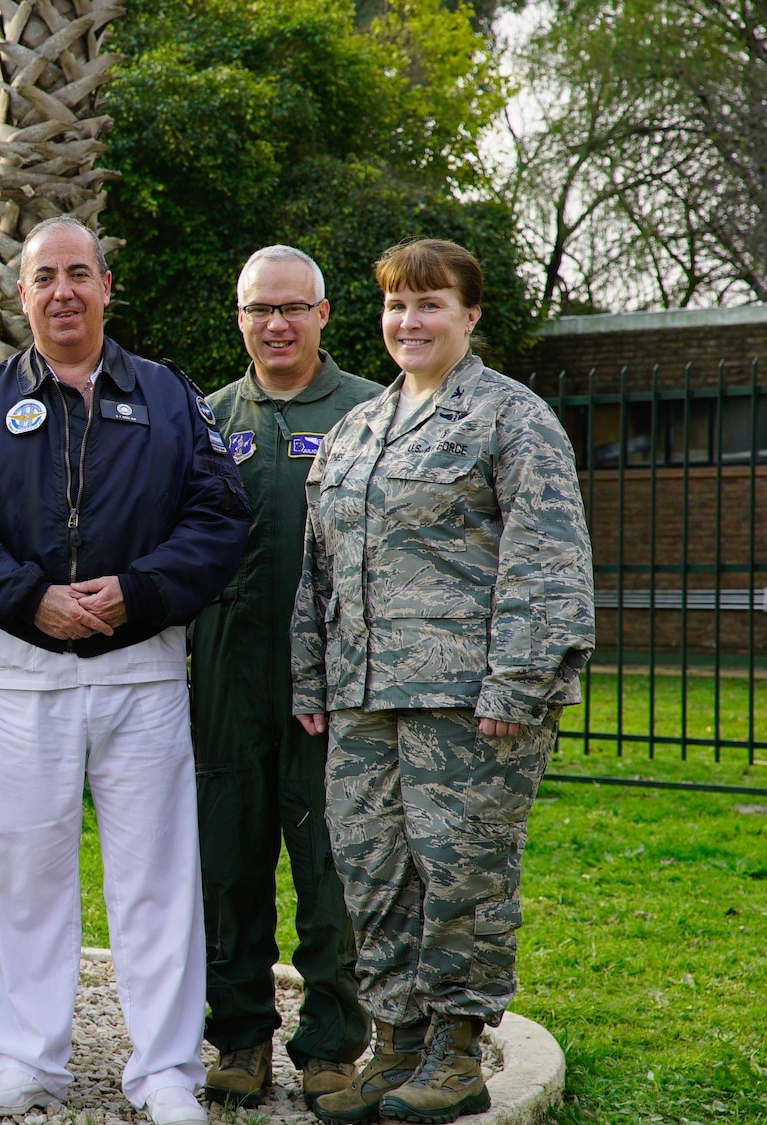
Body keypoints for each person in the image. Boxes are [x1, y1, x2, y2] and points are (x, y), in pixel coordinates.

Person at [0, 216, 251, 1124]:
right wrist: (33, 599)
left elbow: (220, 519)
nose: (62, 291)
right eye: (43, 277)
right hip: (27, 678)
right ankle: (30, 1061)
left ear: (107, 286)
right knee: (27, 874)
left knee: (154, 872)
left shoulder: (173, 397)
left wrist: (138, 591)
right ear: (19, 294)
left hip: (140, 670)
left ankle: (166, 1071)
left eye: (79, 273)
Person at [293, 239, 593, 1124]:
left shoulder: (510, 417)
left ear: (469, 316)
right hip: (361, 696)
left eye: (429, 304)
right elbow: (319, 565)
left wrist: (517, 685)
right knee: (374, 874)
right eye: (395, 305)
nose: (409, 321)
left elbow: (547, 560)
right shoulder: (357, 428)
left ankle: (457, 1052)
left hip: (469, 702)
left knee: (461, 875)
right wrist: (311, 677)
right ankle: (395, 1045)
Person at [193, 246, 380, 1110]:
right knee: (227, 865)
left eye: (291, 308)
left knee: (329, 869)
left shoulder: (371, 414)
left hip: (329, 684)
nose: (275, 324)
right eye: (258, 309)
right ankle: (238, 1037)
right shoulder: (205, 419)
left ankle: (332, 1042)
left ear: (323, 314)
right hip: (225, 677)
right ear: (238, 318)